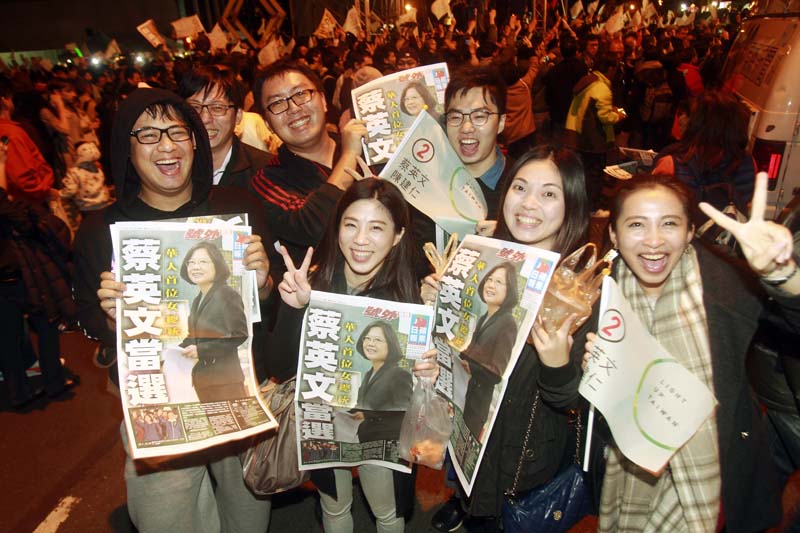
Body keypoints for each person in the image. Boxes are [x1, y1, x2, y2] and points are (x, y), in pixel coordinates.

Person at [73, 87, 273, 532]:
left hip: (234, 395)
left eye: (177, 131)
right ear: (125, 147)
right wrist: (111, 320)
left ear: (195, 142)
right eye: (147, 135)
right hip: (157, 407)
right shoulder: (100, 230)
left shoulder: (236, 210)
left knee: (248, 514)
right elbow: (86, 315)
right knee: (168, 519)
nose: (166, 146)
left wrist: (263, 283)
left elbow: (267, 312)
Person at [589, 172, 799, 532]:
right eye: (637, 224)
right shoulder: (596, 296)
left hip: (712, 476)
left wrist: (782, 274)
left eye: (669, 224)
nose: (654, 241)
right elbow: (562, 395)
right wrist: (573, 366)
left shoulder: (726, 284)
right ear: (613, 233)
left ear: (689, 232)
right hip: (626, 473)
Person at [420, 145, 592, 531]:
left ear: (572, 205)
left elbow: (575, 402)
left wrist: (557, 364)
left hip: (526, 461)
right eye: (519, 187)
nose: (529, 204)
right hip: (474, 434)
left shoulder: (578, 291)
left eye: (549, 194)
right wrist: (436, 305)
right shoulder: (482, 261)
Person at [271, 178, 419, 533]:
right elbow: (279, 366)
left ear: (398, 235)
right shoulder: (315, 282)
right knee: (333, 507)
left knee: (386, 512)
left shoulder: (409, 301)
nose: (361, 240)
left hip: (376, 429)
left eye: (377, 228)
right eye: (350, 225)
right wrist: (294, 308)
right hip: (321, 420)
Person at [249, 59, 366, 265]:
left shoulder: (369, 148)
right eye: (277, 103)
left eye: (301, 94)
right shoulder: (268, 180)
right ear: (267, 123)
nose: (293, 108)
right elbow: (311, 226)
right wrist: (350, 155)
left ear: (322, 100)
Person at [652, 90, 755, 220]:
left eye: (688, 115)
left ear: (696, 124)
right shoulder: (748, 163)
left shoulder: (672, 163)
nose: (682, 119)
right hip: (725, 236)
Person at [177, 64, 272, 189]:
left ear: (238, 115)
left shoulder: (266, 172)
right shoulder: (171, 168)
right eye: (195, 107)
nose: (205, 118)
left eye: (217, 108)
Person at [179, 241, 248, 403]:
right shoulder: (198, 300)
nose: (195, 267)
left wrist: (202, 350)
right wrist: (172, 354)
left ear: (217, 265)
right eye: (192, 262)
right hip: (204, 381)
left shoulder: (226, 294)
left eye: (203, 262)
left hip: (225, 383)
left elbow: (239, 335)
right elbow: (193, 337)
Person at [460, 262, 520, 437]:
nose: (491, 285)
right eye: (489, 279)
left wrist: (470, 367)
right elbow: (472, 352)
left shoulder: (508, 323)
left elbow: (496, 372)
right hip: (465, 393)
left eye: (499, 282)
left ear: (510, 289)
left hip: (477, 403)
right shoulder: (485, 316)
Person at [353, 321, 413, 443]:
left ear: (390, 345)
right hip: (364, 440)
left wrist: (368, 415)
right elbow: (362, 406)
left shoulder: (399, 375)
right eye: (367, 338)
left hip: (386, 443)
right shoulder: (368, 375)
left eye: (377, 340)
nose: (370, 343)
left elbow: (404, 414)